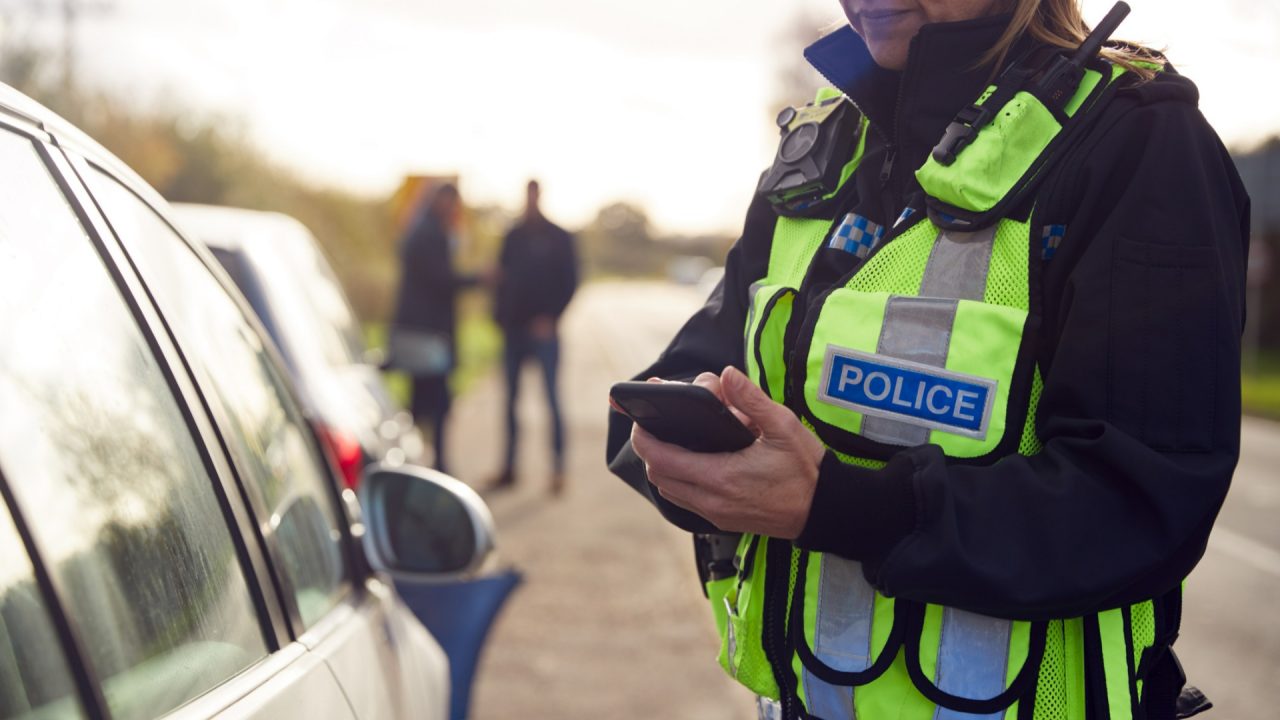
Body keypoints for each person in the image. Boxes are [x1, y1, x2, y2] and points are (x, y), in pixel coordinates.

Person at [606, 1, 1249, 719]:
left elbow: (1142, 506)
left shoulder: (1141, 142)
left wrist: (837, 506)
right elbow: (690, 371)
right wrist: (686, 460)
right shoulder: (827, 141)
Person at [492, 180, 579, 494]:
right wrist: (499, 319)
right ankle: (510, 467)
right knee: (510, 401)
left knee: (552, 400)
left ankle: (558, 470)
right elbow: (500, 278)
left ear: (540, 196)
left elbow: (571, 283)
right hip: (513, 331)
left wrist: (552, 318)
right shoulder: (512, 236)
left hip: (544, 333)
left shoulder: (558, 237)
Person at [389, 182, 476, 474]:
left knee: (424, 401)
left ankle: (419, 463)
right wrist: (479, 279)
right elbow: (443, 280)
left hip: (422, 333)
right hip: (426, 335)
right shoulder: (429, 234)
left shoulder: (423, 230)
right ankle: (432, 466)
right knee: (434, 403)